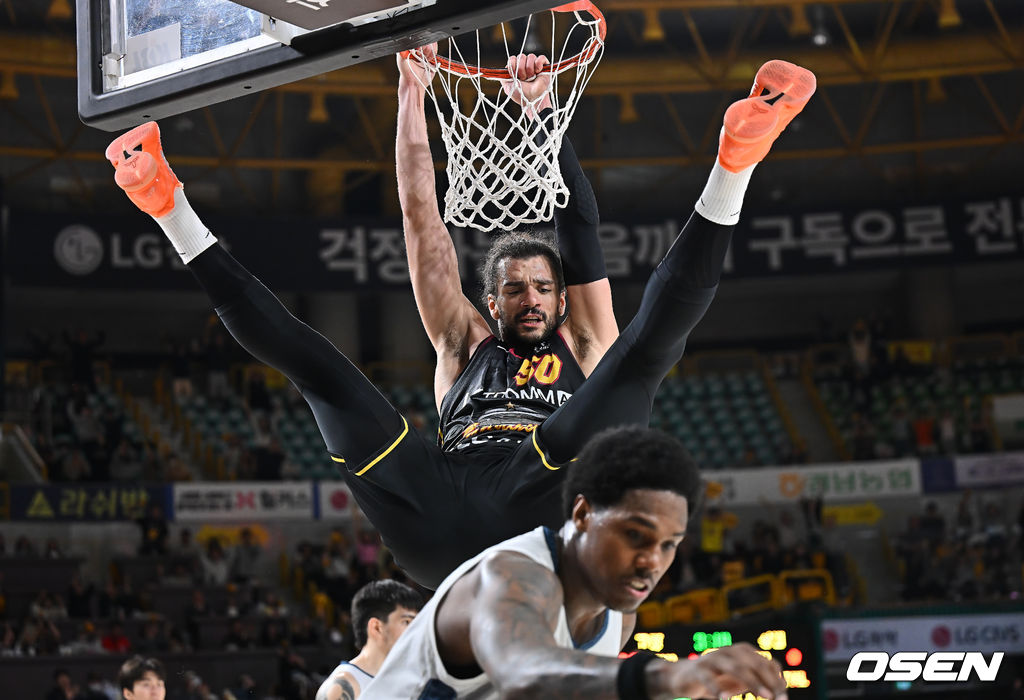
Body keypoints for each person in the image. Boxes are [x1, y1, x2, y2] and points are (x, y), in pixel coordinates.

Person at [104, 55, 814, 589]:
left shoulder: (583, 336)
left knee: (642, 355)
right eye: (514, 289)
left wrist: (542, 112)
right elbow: (421, 215)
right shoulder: (461, 338)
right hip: (437, 502)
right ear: (490, 304)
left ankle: (736, 160)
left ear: (561, 299)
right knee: (320, 370)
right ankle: (166, 202)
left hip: (541, 488)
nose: (532, 298)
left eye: (544, 288)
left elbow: (579, 228)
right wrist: (411, 95)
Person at [361, 426, 787, 699]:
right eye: (635, 535)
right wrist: (664, 676)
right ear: (582, 514)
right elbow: (523, 672)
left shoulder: (619, 618)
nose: (651, 562)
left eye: (669, 545)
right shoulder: (511, 573)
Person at [315, 579, 423, 700]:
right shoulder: (342, 685)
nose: (415, 630)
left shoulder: (411, 681)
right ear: (376, 627)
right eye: (406, 622)